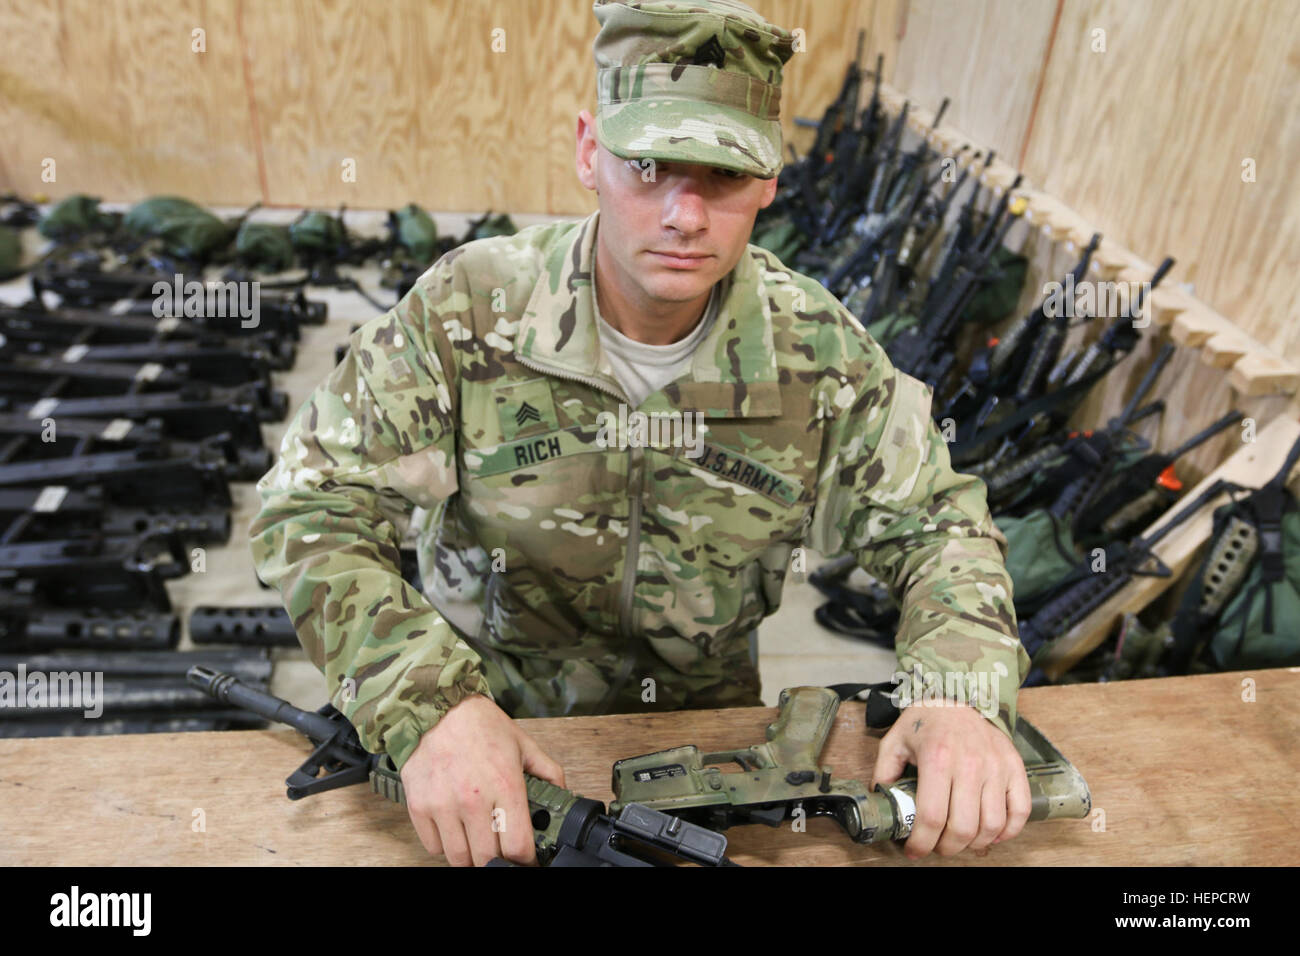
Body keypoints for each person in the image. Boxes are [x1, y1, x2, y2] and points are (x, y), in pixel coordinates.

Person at [250, 0, 1031, 867]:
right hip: (490, 741)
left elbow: (939, 525)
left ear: (771, 181)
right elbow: (309, 506)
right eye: (650, 166)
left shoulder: (814, 352)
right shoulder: (471, 310)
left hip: (711, 758)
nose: (686, 215)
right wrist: (427, 705)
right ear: (591, 151)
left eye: (724, 177)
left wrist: (958, 691)